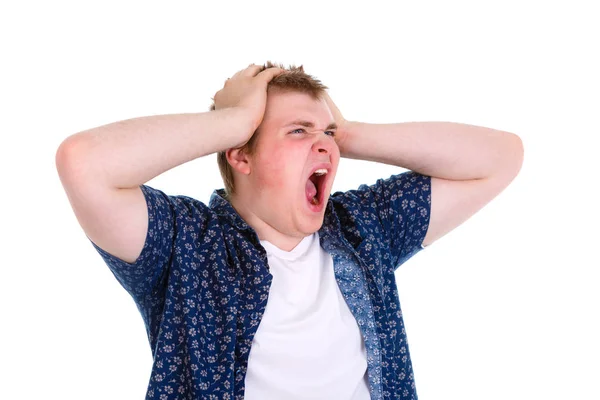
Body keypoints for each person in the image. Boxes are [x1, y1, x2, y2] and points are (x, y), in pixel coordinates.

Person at [55, 62, 524, 399]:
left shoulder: (363, 228)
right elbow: (84, 164)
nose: (323, 146)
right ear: (240, 154)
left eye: (327, 134)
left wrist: (349, 132)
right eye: (298, 131)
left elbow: (500, 158)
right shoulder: (186, 245)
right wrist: (236, 122)